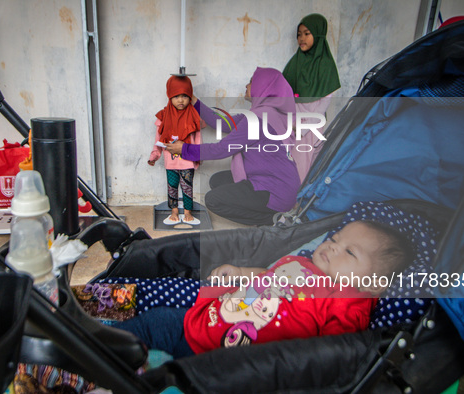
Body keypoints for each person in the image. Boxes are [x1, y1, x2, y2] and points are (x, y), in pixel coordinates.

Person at [112, 220, 413, 358]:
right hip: (200, 320)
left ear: (373, 284)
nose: (333, 248)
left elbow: (336, 353)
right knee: (147, 325)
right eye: (335, 240)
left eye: (349, 253)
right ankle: (89, 348)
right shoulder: (301, 261)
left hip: (224, 359)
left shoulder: (347, 298)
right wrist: (241, 272)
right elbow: (268, 274)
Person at [165, 67, 300, 226]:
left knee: (213, 200)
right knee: (217, 181)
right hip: (282, 185)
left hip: (275, 191)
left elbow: (221, 149)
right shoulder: (266, 113)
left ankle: (273, 219)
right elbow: (220, 123)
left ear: (263, 87)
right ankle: (271, 212)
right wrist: (192, 99)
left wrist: (185, 149)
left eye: (251, 82)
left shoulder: (256, 120)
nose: (246, 85)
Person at [282, 13, 341, 182]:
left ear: (318, 34)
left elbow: (324, 103)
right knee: (288, 163)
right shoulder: (295, 62)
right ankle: (288, 202)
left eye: (307, 33)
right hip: (291, 124)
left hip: (312, 126)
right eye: (299, 34)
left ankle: (300, 204)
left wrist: (305, 128)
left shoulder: (325, 64)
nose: (302, 38)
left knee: (305, 166)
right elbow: (283, 94)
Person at [148, 75, 202, 225]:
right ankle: (174, 212)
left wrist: (198, 156)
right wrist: (154, 155)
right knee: (172, 187)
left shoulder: (193, 115)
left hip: (187, 161)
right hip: (170, 162)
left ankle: (188, 213)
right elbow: (158, 139)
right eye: (176, 96)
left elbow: (197, 139)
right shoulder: (164, 115)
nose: (181, 100)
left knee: (187, 188)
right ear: (169, 96)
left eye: (185, 96)